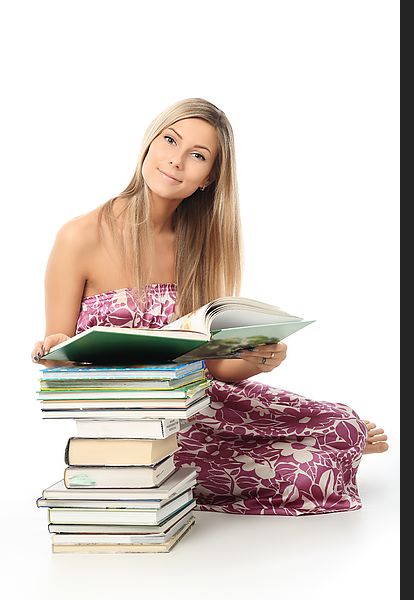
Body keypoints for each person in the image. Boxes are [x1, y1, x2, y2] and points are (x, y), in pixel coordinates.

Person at [31, 97, 388, 516]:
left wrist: (256, 359)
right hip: (140, 428)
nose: (176, 161)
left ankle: (332, 446)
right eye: (170, 141)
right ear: (148, 145)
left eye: (197, 156)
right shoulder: (79, 236)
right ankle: (323, 455)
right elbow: (57, 356)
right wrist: (55, 346)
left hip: (203, 404)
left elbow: (210, 364)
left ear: (209, 178)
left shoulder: (196, 246)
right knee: (312, 466)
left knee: (342, 422)